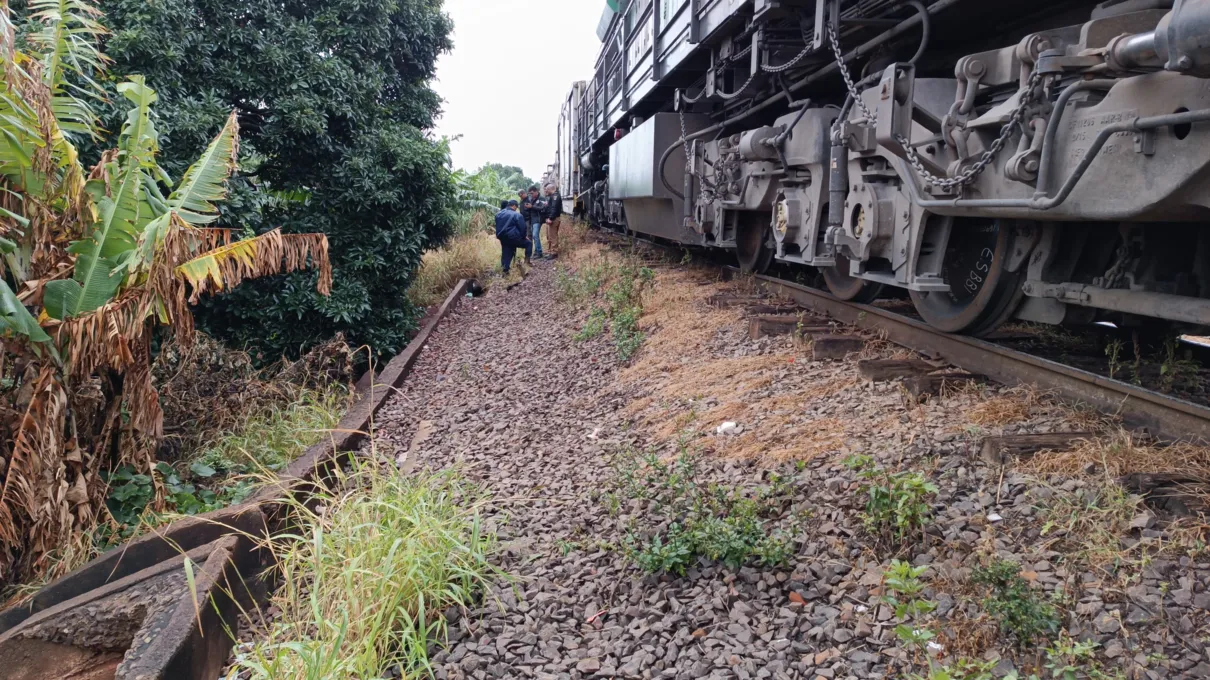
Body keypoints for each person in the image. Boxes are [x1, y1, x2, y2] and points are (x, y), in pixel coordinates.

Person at [495, 199, 531, 274]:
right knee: (528, 244)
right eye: (516, 207)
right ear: (514, 206)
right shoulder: (517, 215)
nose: (516, 209)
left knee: (506, 252)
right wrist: (524, 236)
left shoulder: (498, 214)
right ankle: (527, 262)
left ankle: (505, 270)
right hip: (514, 237)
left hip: (502, 237)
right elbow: (523, 227)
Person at [523, 185, 548, 259]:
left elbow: (543, 208)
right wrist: (527, 207)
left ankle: (539, 252)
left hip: (538, 219)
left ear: (536, 192)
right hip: (532, 220)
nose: (531, 195)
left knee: (535, 235)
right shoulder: (531, 199)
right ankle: (537, 251)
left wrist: (532, 207)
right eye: (530, 193)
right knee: (534, 236)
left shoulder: (542, 198)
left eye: (532, 193)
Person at [542, 184, 564, 258]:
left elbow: (554, 208)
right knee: (551, 236)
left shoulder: (555, 196)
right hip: (553, 218)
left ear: (550, 189)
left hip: (554, 219)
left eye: (547, 190)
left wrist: (550, 218)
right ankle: (551, 251)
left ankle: (554, 252)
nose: (546, 191)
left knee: (553, 236)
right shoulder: (554, 196)